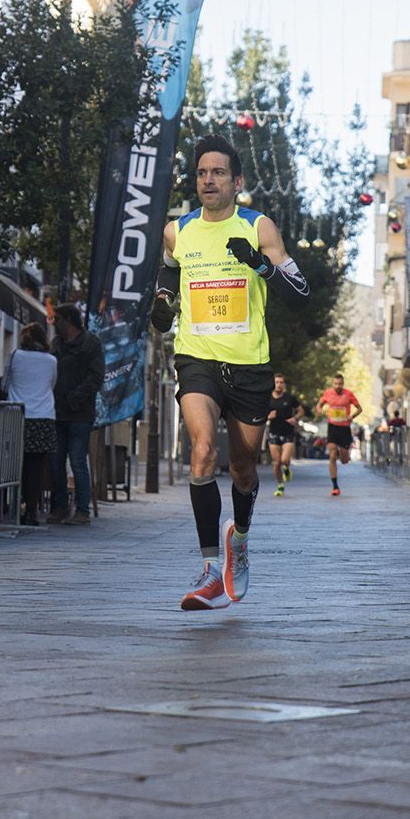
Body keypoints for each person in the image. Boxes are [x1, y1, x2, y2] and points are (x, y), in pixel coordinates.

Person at [149, 135, 309, 610]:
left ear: (237, 181)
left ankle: (237, 540)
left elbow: (299, 292)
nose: (208, 180)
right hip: (196, 357)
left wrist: (259, 264)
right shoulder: (178, 232)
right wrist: (162, 305)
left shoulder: (259, 227)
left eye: (218, 172)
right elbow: (167, 278)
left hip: (249, 364)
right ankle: (207, 568)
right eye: (201, 173)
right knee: (202, 452)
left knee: (242, 469)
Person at [50, 303, 104, 526]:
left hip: (80, 413)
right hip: (56, 411)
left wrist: (75, 397)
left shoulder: (90, 343)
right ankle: (60, 507)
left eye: (57, 319)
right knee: (56, 461)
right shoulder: (56, 344)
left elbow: (96, 377)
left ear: (69, 320)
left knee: (78, 461)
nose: (54, 324)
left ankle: (82, 510)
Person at [3, 322, 57, 526]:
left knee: (16, 463)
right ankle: (32, 511)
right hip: (44, 416)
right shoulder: (52, 360)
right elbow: (51, 384)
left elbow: (5, 384)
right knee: (37, 467)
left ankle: (16, 505)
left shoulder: (15, 355)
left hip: (19, 414)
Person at [317, 373, 363, 496]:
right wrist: (319, 410)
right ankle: (335, 486)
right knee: (332, 456)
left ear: (343, 384)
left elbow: (359, 408)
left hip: (344, 428)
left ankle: (343, 453)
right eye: (335, 384)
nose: (338, 386)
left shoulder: (349, 394)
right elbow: (320, 404)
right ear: (333, 384)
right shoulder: (328, 393)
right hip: (332, 427)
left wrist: (351, 416)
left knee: (344, 460)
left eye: (340, 384)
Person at [265, 372, 304, 497]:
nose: (279, 384)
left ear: (284, 384)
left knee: (285, 460)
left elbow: (301, 410)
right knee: (276, 463)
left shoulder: (289, 398)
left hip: (288, 432)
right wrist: (268, 417)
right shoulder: (268, 398)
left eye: (281, 382)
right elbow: (261, 414)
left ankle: (286, 469)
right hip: (273, 433)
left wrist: (295, 418)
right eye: (277, 382)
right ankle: (280, 485)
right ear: (274, 383)